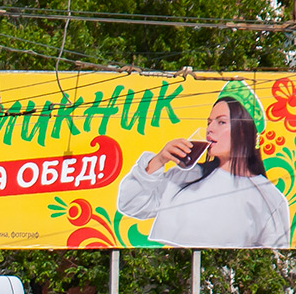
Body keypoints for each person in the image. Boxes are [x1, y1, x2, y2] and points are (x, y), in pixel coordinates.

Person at [116, 81, 290, 248]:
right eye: (209, 122)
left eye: (221, 122)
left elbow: (273, 256)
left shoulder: (268, 198)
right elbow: (130, 204)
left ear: (246, 132)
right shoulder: (185, 176)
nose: (209, 129)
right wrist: (159, 160)